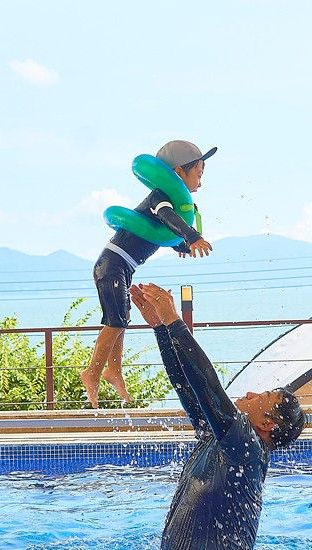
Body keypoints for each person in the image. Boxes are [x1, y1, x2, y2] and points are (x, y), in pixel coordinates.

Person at [130, 283, 308, 550]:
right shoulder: (223, 437)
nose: (250, 393)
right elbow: (187, 385)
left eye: (262, 396)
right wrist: (161, 328)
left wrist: (174, 323)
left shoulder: (247, 447)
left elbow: (208, 386)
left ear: (267, 424)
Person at [80, 140, 217, 408]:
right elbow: (167, 218)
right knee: (115, 321)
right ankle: (92, 372)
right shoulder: (160, 198)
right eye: (198, 175)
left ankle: (113, 371)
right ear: (178, 173)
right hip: (112, 264)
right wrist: (192, 235)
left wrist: (183, 246)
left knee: (121, 320)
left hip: (123, 266)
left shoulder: (175, 205)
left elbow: (167, 234)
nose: (200, 183)